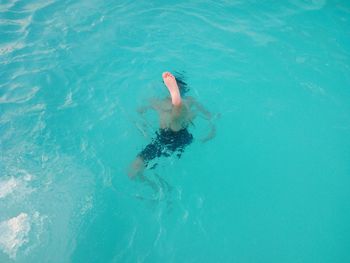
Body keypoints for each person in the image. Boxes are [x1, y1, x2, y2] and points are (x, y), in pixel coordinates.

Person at [128, 71, 215, 179]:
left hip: (181, 134)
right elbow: (139, 112)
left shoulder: (190, 100)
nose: (180, 87)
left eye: (180, 87)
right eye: (177, 86)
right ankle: (156, 188)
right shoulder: (156, 102)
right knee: (133, 170)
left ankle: (177, 103)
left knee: (176, 117)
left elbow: (209, 116)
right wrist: (144, 131)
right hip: (162, 139)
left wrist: (211, 132)